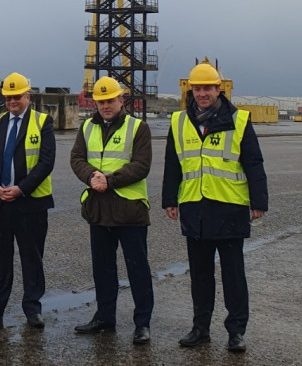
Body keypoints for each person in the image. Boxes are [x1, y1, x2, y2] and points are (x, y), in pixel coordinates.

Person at [161, 59, 268, 353]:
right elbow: (173, 164)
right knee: (200, 275)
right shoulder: (179, 122)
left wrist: (258, 201)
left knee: (233, 275)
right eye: (197, 88)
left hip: (229, 208)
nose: (202, 93)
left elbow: (253, 162)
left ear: (219, 89)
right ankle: (201, 329)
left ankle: (236, 332)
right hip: (195, 208)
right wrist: (170, 199)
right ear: (190, 90)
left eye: (207, 88)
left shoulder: (239, 121)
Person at [69, 76, 154, 345]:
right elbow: (76, 159)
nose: (106, 106)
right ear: (95, 102)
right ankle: (105, 318)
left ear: (121, 100)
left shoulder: (138, 128)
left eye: (110, 100)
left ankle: (142, 324)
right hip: (99, 210)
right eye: (101, 101)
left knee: (137, 269)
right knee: (103, 269)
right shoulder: (87, 128)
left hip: (129, 212)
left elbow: (141, 165)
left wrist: (109, 180)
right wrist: (91, 175)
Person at [0, 72, 55, 329]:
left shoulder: (42, 122)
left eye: (17, 97)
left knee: (32, 258)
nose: (12, 101)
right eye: (8, 97)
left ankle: (32, 308)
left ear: (27, 97)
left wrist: (21, 189)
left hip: (29, 204)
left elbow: (46, 162)